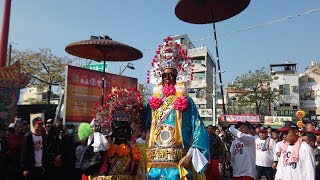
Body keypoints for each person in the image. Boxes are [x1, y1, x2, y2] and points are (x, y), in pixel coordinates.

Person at [145, 36, 209, 179]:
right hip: (155, 165)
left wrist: (192, 151)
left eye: (172, 75)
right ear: (160, 77)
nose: (168, 79)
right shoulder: (152, 103)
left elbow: (199, 129)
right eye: (165, 75)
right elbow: (141, 124)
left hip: (178, 163)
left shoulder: (187, 102)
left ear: (177, 77)